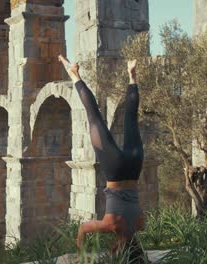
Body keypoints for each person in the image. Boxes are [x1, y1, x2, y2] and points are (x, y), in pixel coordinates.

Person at [58, 55, 147, 262]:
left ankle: (132, 76)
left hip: (134, 167)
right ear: (118, 249)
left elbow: (132, 216)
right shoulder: (111, 225)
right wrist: (80, 255)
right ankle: (75, 75)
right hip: (114, 170)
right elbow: (82, 229)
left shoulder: (141, 224)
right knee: (94, 116)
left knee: (131, 119)